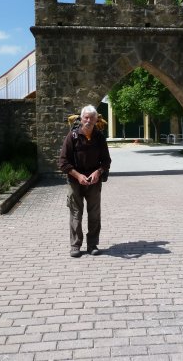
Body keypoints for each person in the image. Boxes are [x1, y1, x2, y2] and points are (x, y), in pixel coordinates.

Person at [59, 105, 111, 258]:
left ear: (96, 120)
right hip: (75, 181)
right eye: (86, 118)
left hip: (94, 182)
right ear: (81, 119)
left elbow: (106, 161)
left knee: (94, 214)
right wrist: (78, 175)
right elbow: (63, 162)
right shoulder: (72, 137)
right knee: (76, 213)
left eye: (91, 118)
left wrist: (98, 172)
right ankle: (75, 246)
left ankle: (92, 245)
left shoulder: (99, 137)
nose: (88, 120)